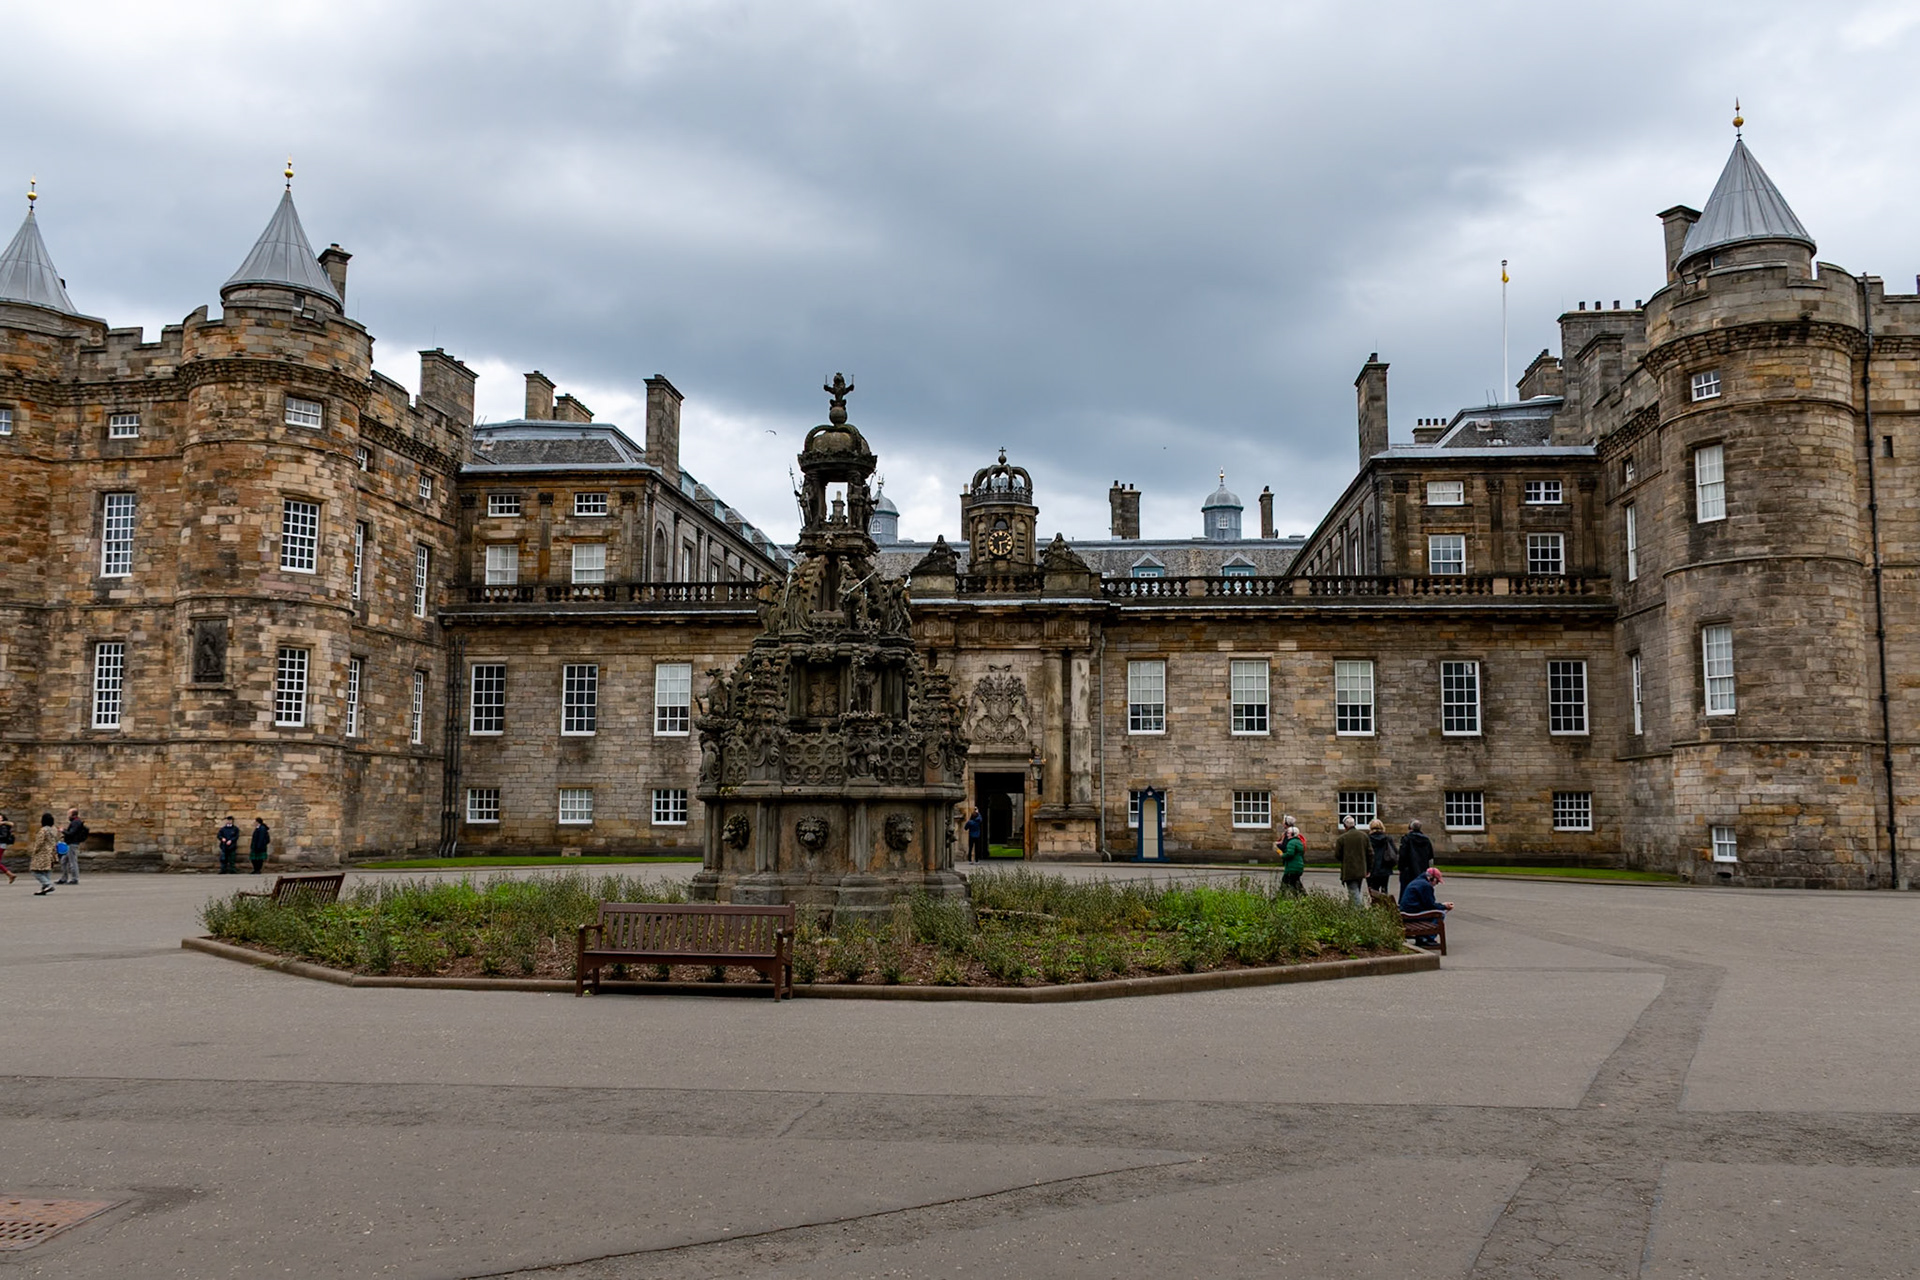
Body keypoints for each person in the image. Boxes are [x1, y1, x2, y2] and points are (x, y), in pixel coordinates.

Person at [1398, 866, 1454, 946]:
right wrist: (1444, 906)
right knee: (1440, 914)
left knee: (1437, 911)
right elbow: (1430, 905)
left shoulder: (1418, 881)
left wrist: (1442, 905)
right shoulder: (1426, 886)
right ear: (1432, 878)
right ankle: (1427, 938)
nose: (1436, 884)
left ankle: (1422, 937)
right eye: (1437, 881)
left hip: (1406, 913)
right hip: (1411, 915)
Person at [1334, 816, 1371, 908]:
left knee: (1354, 892)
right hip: (1362, 869)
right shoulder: (1364, 836)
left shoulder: (1342, 838)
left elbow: (1337, 855)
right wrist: (1368, 869)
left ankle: (1359, 913)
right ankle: (1352, 912)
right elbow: (1370, 853)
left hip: (1349, 870)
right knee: (1356, 890)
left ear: (1344, 826)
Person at [1397, 819, 1435, 898]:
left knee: (1406, 890)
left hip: (1408, 869)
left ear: (1410, 828)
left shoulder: (1406, 839)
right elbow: (1430, 856)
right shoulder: (1426, 840)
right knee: (1420, 889)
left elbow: (1402, 855)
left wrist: (1400, 868)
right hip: (1422, 869)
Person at [28, 813, 58, 894]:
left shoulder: (43, 830)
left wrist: (34, 851)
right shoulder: (54, 830)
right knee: (46, 871)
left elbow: (39, 843)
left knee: (35, 871)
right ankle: (44, 888)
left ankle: (47, 884)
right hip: (51, 852)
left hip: (42, 853)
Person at [1366, 818, 1395, 896]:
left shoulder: (1367, 839)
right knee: (1384, 889)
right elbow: (1394, 852)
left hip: (1372, 868)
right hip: (1385, 867)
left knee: (1373, 890)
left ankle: (1375, 906)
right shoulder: (1387, 838)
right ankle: (1384, 905)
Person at [57, 808, 87, 884]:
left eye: (69, 814)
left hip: (72, 844)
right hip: (69, 844)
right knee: (64, 861)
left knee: (72, 861)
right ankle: (64, 878)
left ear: (73, 815)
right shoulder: (75, 822)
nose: (68, 816)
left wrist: (63, 831)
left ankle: (74, 879)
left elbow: (71, 833)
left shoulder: (76, 822)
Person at [1276, 824, 1306, 895]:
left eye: (1288, 833)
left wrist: (1282, 854)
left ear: (1293, 834)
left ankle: (1280, 898)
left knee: (1287, 883)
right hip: (1298, 867)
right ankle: (1302, 898)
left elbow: (1290, 854)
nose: (1287, 835)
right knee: (1296, 884)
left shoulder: (1291, 842)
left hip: (1292, 867)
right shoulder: (1298, 842)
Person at [0, 812, 15, 885]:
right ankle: (10, 875)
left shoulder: (3, 826)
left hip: (1, 844)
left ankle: (10, 874)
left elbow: (4, 836)